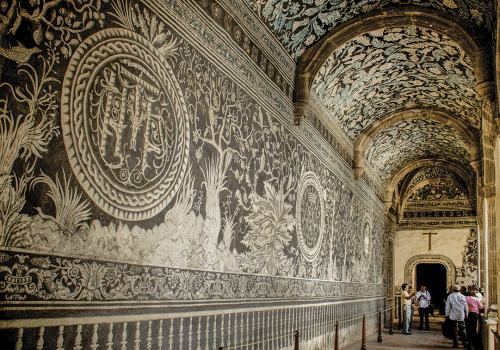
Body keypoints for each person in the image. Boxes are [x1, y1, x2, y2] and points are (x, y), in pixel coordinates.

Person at [445, 284, 469, 348]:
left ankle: (455, 343)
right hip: (461, 315)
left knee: (454, 329)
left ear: (453, 289)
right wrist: (466, 314)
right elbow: (465, 307)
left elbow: (448, 307)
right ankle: (465, 342)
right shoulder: (463, 297)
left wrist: (447, 314)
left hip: (453, 315)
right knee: (462, 329)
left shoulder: (450, 296)